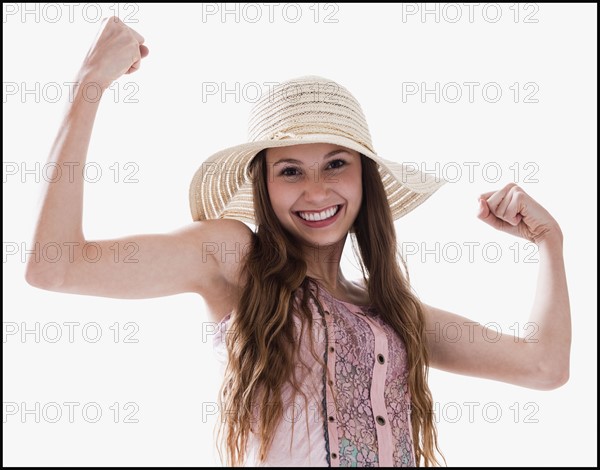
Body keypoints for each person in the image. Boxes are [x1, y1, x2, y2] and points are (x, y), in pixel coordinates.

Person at [25, 17, 571, 467]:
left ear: (364, 179)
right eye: (290, 171)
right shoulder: (235, 257)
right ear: (263, 185)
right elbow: (56, 266)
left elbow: (544, 367)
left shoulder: (392, 312)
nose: (316, 190)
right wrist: (89, 84)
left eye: (336, 164)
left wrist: (549, 242)